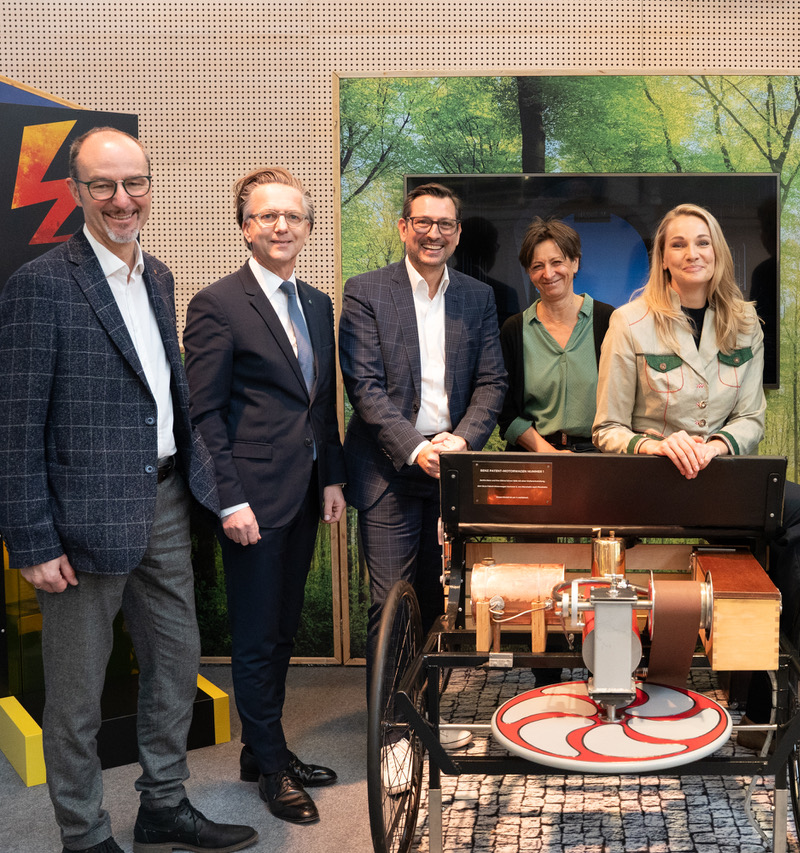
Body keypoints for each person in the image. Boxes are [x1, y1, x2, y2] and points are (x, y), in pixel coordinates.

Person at [0, 127, 258, 853]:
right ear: (77, 192)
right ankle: (84, 835)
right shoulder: (39, 286)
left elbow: (166, 399)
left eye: (134, 183)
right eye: (104, 185)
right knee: (77, 699)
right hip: (79, 526)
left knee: (177, 662)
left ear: (150, 187)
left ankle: (164, 804)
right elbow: (14, 427)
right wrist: (33, 539)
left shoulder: (160, 276)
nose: (122, 199)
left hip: (167, 500)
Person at [594, 202, 800, 732]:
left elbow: (751, 416)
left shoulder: (744, 322)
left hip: (721, 474)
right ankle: (754, 683)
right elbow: (606, 429)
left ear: (718, 254)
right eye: (678, 244)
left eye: (703, 242)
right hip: (655, 481)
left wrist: (716, 445)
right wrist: (658, 447)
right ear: (662, 258)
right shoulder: (629, 323)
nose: (692, 253)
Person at [183, 167, 346, 825]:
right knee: (255, 637)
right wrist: (228, 499)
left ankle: (262, 747)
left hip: (305, 492)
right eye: (266, 216)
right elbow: (203, 414)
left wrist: (331, 476)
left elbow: (320, 402)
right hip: (249, 498)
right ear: (245, 227)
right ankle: (273, 771)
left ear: (306, 228)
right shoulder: (217, 304)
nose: (281, 226)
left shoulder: (317, 303)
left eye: (293, 217)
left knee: (281, 631)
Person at [339, 182, 506, 706]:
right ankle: (392, 727)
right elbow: (363, 386)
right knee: (391, 604)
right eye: (424, 223)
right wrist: (416, 447)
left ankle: (426, 714)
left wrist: (463, 439)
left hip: (453, 468)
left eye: (446, 225)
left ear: (457, 234)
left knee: (441, 602)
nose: (434, 234)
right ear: (404, 227)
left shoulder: (478, 297)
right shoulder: (366, 290)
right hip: (389, 469)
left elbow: (492, 382)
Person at [498, 217, 615, 453]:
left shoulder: (608, 320)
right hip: (533, 457)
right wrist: (548, 453)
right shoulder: (514, 329)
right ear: (529, 273)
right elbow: (504, 409)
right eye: (537, 266)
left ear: (575, 263)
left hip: (598, 457)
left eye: (557, 262)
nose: (548, 273)